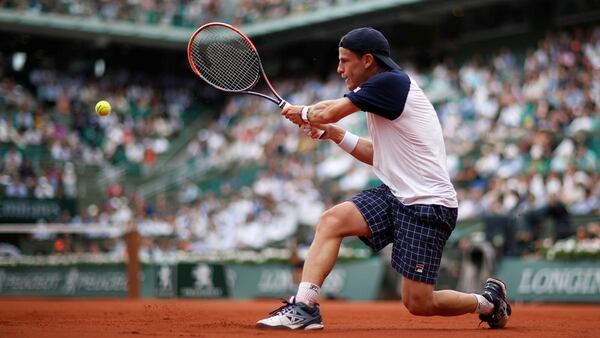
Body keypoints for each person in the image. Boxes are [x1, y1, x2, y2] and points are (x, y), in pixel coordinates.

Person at [255, 27, 511, 330]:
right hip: (395, 194)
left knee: (418, 303)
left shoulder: (390, 82)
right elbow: (379, 155)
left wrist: (306, 112)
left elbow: (329, 111)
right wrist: (335, 134)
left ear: (367, 60)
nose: (339, 69)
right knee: (332, 220)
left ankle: (489, 302)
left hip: (428, 206)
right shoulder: (381, 94)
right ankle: (305, 306)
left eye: (344, 61)